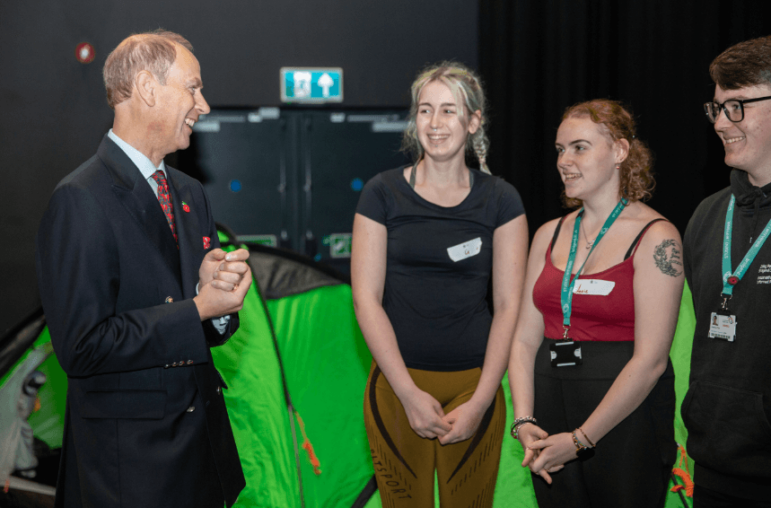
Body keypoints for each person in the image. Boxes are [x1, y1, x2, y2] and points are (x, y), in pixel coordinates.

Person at [35, 30, 251, 508]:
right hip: (130, 474)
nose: (205, 105)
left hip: (203, 461)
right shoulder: (80, 199)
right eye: (193, 88)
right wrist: (197, 308)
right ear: (149, 90)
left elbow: (207, 322)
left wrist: (218, 301)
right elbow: (83, 348)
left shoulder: (191, 193)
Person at [351, 62, 528, 507]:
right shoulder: (381, 193)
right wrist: (408, 394)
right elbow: (366, 299)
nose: (434, 123)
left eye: (449, 111)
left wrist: (483, 401)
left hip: (475, 387)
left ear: (473, 121)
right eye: (425, 110)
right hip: (396, 387)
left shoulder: (501, 199)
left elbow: (509, 305)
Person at [508, 99, 682, 508]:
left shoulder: (657, 237)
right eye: (559, 149)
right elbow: (523, 340)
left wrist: (582, 439)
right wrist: (524, 420)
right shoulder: (548, 234)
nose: (564, 160)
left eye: (579, 147)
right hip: (549, 417)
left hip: (625, 421)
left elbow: (652, 360)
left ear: (620, 152)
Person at [683, 35, 771, 507]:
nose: (720, 123)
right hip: (714, 468)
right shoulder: (707, 215)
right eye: (716, 108)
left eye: (736, 106)